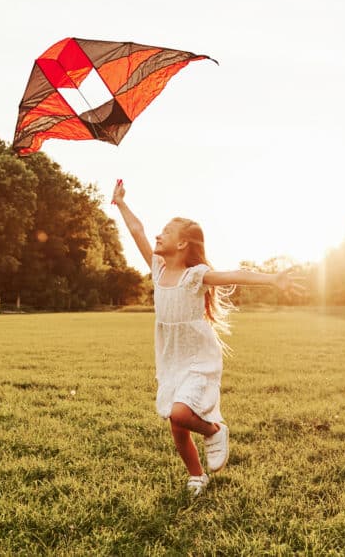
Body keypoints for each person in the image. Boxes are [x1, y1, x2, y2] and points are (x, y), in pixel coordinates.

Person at [111, 179, 304, 496]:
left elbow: (235, 275)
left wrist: (272, 279)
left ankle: (215, 431)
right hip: (171, 357)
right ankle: (196, 475)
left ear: (183, 244)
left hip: (198, 355)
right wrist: (120, 203)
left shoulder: (195, 275)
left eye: (167, 233)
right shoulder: (158, 269)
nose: (158, 235)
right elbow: (137, 231)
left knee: (181, 413)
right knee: (176, 424)